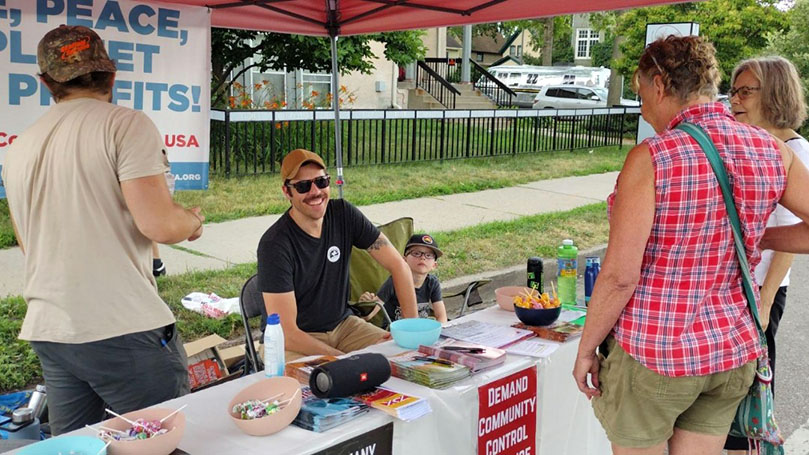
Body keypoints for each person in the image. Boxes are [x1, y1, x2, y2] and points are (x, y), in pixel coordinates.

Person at [571, 35, 809, 455]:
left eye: (642, 93)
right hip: (731, 350)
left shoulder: (653, 157)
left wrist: (587, 348)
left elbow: (620, 276)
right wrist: (758, 237)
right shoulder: (772, 149)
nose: (642, 106)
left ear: (660, 84)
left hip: (656, 351)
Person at [1, 25, 205, 435]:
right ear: (110, 75)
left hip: (53, 327)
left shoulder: (19, 147)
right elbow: (160, 224)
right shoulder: (125, 125)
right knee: (161, 441)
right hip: (121, 325)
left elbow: (30, 244)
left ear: (45, 83)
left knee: (78, 445)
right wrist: (193, 220)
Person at [257, 149, 418, 361]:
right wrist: (343, 359)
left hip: (345, 327)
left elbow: (399, 265)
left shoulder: (343, 213)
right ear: (287, 192)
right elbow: (287, 333)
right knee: (330, 382)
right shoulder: (274, 244)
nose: (316, 192)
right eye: (303, 186)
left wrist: (410, 332)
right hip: (295, 341)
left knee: (401, 356)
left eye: (322, 182)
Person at [724, 56, 809, 453]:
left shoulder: (795, 150)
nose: (735, 100)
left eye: (746, 91)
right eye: (733, 91)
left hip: (761, 289)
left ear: (774, 93)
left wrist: (765, 298)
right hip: (735, 288)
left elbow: (796, 236)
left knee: (750, 398)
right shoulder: (752, 145)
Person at [359, 233, 449, 323]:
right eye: (416, 253)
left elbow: (442, 317)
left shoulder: (432, 283)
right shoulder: (395, 281)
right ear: (404, 260)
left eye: (429, 255)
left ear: (434, 265)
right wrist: (365, 306)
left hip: (420, 331)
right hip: (394, 332)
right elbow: (368, 316)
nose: (422, 257)